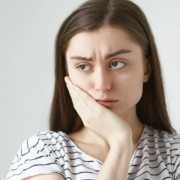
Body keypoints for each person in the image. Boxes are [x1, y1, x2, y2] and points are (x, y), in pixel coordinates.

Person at [5, 0, 180, 180]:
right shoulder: (43, 152)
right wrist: (120, 141)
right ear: (66, 74)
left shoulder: (175, 155)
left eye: (116, 64)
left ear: (147, 68)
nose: (102, 85)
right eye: (83, 66)